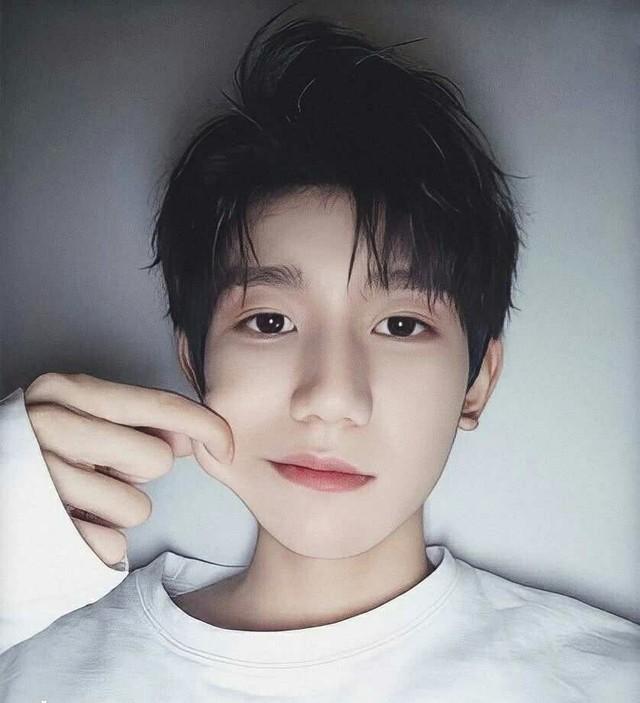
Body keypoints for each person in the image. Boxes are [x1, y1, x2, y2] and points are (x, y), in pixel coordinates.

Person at [1, 8, 638, 701]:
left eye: (401, 325)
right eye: (270, 321)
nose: (332, 396)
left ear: (477, 382)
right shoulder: (33, 660)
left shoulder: (607, 681)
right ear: (195, 363)